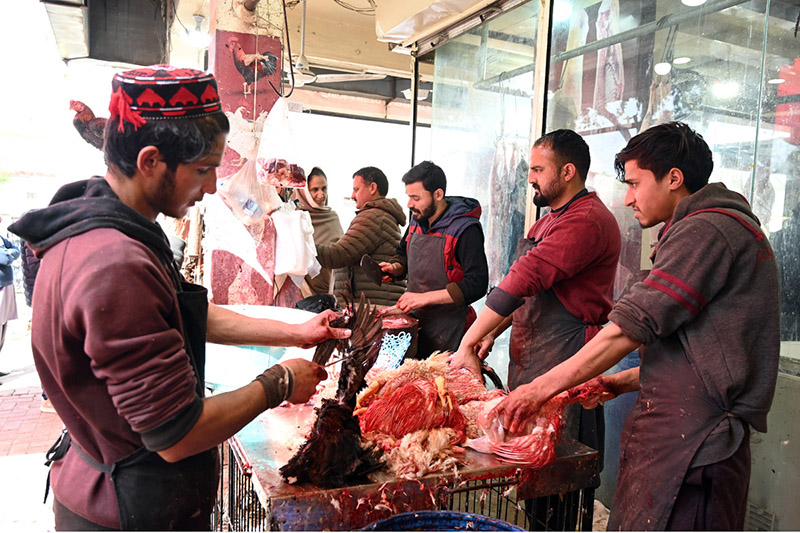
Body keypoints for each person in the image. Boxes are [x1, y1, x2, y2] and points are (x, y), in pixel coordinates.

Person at [9, 65, 350, 531]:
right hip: (128, 513)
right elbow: (176, 433)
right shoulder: (115, 265)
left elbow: (184, 314)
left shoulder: (106, 224)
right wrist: (279, 384)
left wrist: (295, 332)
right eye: (204, 170)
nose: (211, 187)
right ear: (150, 162)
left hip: (112, 491)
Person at [491, 122, 780, 530]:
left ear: (674, 179)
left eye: (635, 184)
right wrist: (621, 382)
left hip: (695, 446)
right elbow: (700, 349)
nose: (627, 199)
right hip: (679, 434)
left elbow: (630, 326)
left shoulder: (707, 230)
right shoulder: (698, 228)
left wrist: (538, 389)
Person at [451, 129, 621, 464]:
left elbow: (522, 280)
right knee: (527, 462)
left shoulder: (585, 221)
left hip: (565, 358)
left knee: (560, 466)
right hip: (532, 359)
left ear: (568, 172)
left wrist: (466, 344)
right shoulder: (546, 222)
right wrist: (490, 333)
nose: (529, 178)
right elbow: (528, 294)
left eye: (538, 170)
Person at [381, 161, 489, 358]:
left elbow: (477, 284)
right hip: (414, 325)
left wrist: (423, 298)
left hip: (451, 332)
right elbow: (403, 253)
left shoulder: (466, 229)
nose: (409, 204)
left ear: (438, 195)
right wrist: (396, 268)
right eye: (409, 197)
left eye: (415, 198)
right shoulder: (417, 218)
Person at [315, 166, 407, 307]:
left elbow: (338, 255)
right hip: (375, 304)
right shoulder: (380, 215)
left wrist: (303, 245)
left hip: (372, 308)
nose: (352, 195)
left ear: (372, 188)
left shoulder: (373, 217)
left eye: (356, 189)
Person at [294, 167, 344, 295]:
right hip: (303, 291)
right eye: (315, 190)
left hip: (332, 290)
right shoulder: (297, 218)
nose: (321, 195)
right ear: (304, 192)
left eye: (324, 188)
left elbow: (343, 255)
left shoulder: (332, 217)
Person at [0, 216, 20, 377]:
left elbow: (15, 250)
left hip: (6, 285)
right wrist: (8, 253)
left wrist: (8, 252)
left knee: (3, 327)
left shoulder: (1, 238)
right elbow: (4, 258)